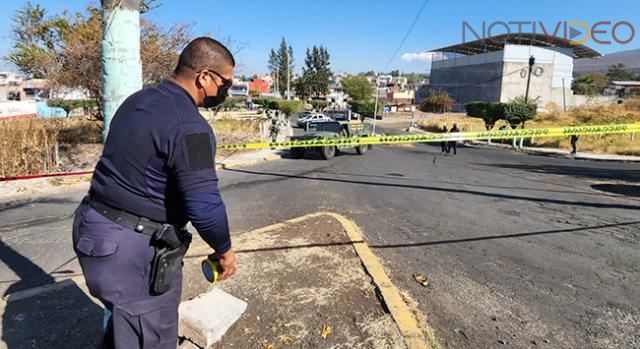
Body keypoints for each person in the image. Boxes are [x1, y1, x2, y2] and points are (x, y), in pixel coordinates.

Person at [72, 37, 238, 349]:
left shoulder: (138, 101)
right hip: (133, 254)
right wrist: (225, 250)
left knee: (123, 326)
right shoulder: (191, 128)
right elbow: (205, 206)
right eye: (225, 83)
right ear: (204, 77)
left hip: (93, 232)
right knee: (151, 337)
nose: (226, 90)